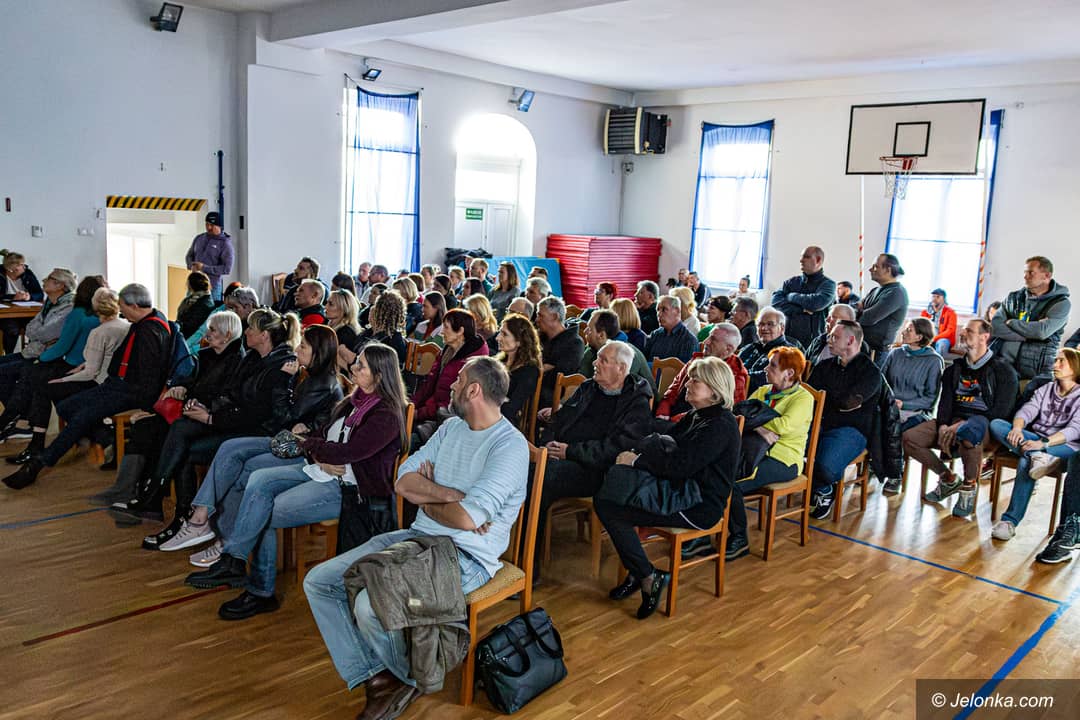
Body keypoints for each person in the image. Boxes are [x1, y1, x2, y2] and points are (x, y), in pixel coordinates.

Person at [304, 356, 527, 719]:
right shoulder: (451, 428)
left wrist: (429, 495)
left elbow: (466, 519)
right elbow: (403, 482)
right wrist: (450, 495)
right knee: (319, 581)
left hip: (465, 556)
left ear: (474, 390)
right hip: (416, 536)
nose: (450, 385)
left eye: (458, 381)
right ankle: (381, 677)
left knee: (368, 605)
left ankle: (404, 679)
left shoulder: (508, 446)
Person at [183, 343, 409, 619]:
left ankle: (258, 590)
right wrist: (318, 451)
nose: (353, 367)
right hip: (321, 470)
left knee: (261, 510)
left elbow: (347, 452)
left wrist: (313, 447)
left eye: (361, 365)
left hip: (348, 490)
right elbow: (322, 436)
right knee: (258, 481)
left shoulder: (386, 414)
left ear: (380, 375)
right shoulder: (354, 401)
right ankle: (234, 560)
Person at [595, 356, 740, 619]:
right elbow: (668, 443)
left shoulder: (721, 425)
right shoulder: (698, 415)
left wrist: (636, 461)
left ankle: (646, 576)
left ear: (714, 389)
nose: (687, 384)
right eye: (690, 378)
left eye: (695, 381)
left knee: (612, 508)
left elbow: (680, 466)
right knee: (608, 498)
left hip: (698, 504)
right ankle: (640, 572)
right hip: (678, 490)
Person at [3, 284, 172, 490]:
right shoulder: (144, 322)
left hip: (131, 391)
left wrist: (148, 408)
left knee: (82, 417)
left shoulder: (149, 330)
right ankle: (107, 438)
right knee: (66, 407)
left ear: (135, 306)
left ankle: (39, 463)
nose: (120, 310)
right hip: (116, 383)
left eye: (122, 306)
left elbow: (149, 375)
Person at [535, 341, 653, 578]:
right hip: (563, 457)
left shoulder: (636, 401)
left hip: (596, 471)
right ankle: (509, 549)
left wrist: (570, 451)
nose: (595, 363)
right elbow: (559, 420)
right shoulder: (589, 387)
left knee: (540, 477)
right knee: (527, 468)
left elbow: (616, 449)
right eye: (597, 357)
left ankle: (528, 563)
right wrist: (545, 445)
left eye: (603, 360)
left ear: (621, 369)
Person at [910, 319, 1018, 518]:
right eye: (963, 330)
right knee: (910, 438)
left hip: (985, 427)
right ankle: (948, 479)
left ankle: (968, 488)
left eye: (969, 331)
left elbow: (1001, 412)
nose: (962, 333)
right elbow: (945, 403)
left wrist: (961, 425)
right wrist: (943, 425)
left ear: (984, 337)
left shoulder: (1004, 370)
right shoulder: (954, 369)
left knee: (969, 433)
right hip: (954, 421)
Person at [720, 347, 813, 560]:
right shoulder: (763, 391)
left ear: (789, 373)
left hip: (783, 459)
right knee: (715, 473)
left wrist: (754, 421)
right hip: (753, 452)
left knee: (729, 484)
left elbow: (783, 426)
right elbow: (738, 415)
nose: (765, 368)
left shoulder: (803, 398)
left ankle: (739, 538)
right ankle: (703, 534)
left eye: (772, 365)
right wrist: (761, 429)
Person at [987, 348, 1080, 541]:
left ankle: (1009, 522)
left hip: (1065, 448)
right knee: (997, 425)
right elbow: (1027, 410)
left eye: (1061, 361)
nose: (1055, 365)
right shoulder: (1047, 388)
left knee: (1026, 462)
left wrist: (1043, 444)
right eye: (1055, 360)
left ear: (1075, 366)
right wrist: (1017, 428)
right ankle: (1037, 457)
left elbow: (1074, 430)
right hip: (1035, 440)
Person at [807, 321, 883, 520]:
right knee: (790, 451)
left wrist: (825, 397)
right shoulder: (825, 366)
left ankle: (824, 489)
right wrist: (831, 400)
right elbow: (808, 396)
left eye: (834, 337)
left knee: (825, 466)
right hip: (819, 423)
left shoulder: (870, 372)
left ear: (850, 341)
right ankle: (819, 485)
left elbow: (848, 403)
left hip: (851, 429)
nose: (829, 340)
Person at [880, 318, 944, 493]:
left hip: (917, 411)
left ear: (920, 337)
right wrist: (889, 401)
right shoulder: (895, 354)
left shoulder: (934, 360)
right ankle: (877, 463)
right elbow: (881, 382)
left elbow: (931, 399)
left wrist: (905, 404)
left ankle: (895, 475)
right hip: (890, 406)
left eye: (909, 330)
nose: (904, 332)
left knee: (895, 430)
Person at [411, 309, 489, 447]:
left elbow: (451, 403)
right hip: (432, 412)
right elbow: (429, 384)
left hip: (450, 420)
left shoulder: (472, 362)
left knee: (407, 440)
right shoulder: (448, 350)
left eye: (446, 328)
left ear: (460, 331)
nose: (441, 332)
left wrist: (419, 413)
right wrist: (411, 405)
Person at [0, 268, 77, 409]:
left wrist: (38, 332)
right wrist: (38, 332)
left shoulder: (69, 305)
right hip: (33, 350)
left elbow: (47, 333)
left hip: (46, 357)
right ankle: (19, 411)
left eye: (49, 278)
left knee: (4, 373)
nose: (44, 280)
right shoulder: (49, 302)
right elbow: (30, 328)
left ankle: (18, 412)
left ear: (60, 285)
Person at [991, 256, 1072, 380]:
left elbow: (1041, 332)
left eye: (1030, 272)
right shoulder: (1013, 298)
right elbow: (995, 325)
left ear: (1047, 276)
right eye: (1025, 272)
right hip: (1002, 364)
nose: (1025, 276)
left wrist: (1011, 322)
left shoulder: (1061, 303)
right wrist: (1026, 335)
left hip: (1035, 372)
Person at [657, 323, 748, 420]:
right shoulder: (698, 359)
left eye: (713, 339)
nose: (705, 341)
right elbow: (676, 385)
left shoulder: (735, 375)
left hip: (695, 422)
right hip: (671, 415)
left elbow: (722, 413)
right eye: (708, 336)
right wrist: (664, 405)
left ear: (728, 349)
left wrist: (679, 419)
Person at [770, 246, 836, 348]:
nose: (801, 260)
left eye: (806, 257)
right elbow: (775, 303)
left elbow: (816, 303)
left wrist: (791, 296)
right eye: (801, 257)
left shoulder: (828, 284)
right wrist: (801, 309)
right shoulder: (791, 282)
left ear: (818, 260)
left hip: (813, 343)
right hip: (787, 340)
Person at [580, 309, 654, 391]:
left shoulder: (626, 355)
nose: (585, 331)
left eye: (589, 329)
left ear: (601, 335)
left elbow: (618, 391)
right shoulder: (591, 351)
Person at [856, 253, 909, 367]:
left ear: (888, 270)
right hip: (862, 347)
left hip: (875, 353)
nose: (870, 269)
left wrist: (856, 313)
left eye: (875, 266)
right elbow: (856, 308)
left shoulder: (896, 292)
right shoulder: (875, 290)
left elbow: (869, 318)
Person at [738, 306, 803, 394]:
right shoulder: (750, 347)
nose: (764, 328)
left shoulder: (787, 353)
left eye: (770, 324)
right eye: (760, 324)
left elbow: (766, 379)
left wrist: (736, 376)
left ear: (782, 328)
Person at [494, 313, 542, 427]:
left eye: (504, 334)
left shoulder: (529, 371)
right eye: (500, 332)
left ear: (519, 341)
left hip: (504, 424)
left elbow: (510, 409)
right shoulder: (498, 363)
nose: (497, 338)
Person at [537, 296, 586, 407]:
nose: (537, 319)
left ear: (554, 317)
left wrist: (541, 367)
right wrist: (546, 366)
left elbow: (558, 377)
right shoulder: (540, 336)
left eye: (540, 315)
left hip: (555, 397)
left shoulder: (575, 343)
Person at [344, 291, 408, 369]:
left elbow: (374, 367)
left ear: (380, 312)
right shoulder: (369, 332)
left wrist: (347, 354)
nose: (372, 308)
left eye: (376, 305)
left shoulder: (392, 340)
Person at [0, 250, 44, 355]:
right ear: (11, 269)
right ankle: (8, 356)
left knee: (37, 326)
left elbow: (39, 293)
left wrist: (29, 296)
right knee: (12, 330)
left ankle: (33, 354)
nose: (24, 267)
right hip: (6, 315)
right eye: (21, 265)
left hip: (25, 312)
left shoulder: (27, 273)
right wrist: (13, 297)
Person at [185, 211, 234, 302]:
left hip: (212, 287)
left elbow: (226, 269)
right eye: (207, 224)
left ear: (219, 226)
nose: (209, 227)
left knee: (210, 310)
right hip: (193, 285)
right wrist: (191, 265)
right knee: (188, 307)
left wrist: (204, 268)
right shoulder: (199, 238)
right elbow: (189, 255)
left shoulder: (225, 244)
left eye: (212, 225)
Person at [644, 295, 697, 363]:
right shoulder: (655, 334)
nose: (659, 314)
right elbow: (644, 361)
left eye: (664, 310)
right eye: (658, 310)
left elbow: (684, 368)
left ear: (677, 311)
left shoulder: (688, 340)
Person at [176, 271, 215, 338]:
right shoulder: (194, 299)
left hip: (191, 337)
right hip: (184, 333)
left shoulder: (204, 304)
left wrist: (175, 326)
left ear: (191, 286)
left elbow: (189, 326)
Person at [921, 288, 957, 356]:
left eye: (938, 297)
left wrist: (934, 338)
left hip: (942, 339)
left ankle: (938, 361)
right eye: (933, 296)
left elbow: (950, 330)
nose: (934, 299)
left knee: (942, 344)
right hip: (928, 337)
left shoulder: (951, 312)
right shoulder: (925, 312)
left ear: (944, 299)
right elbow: (921, 327)